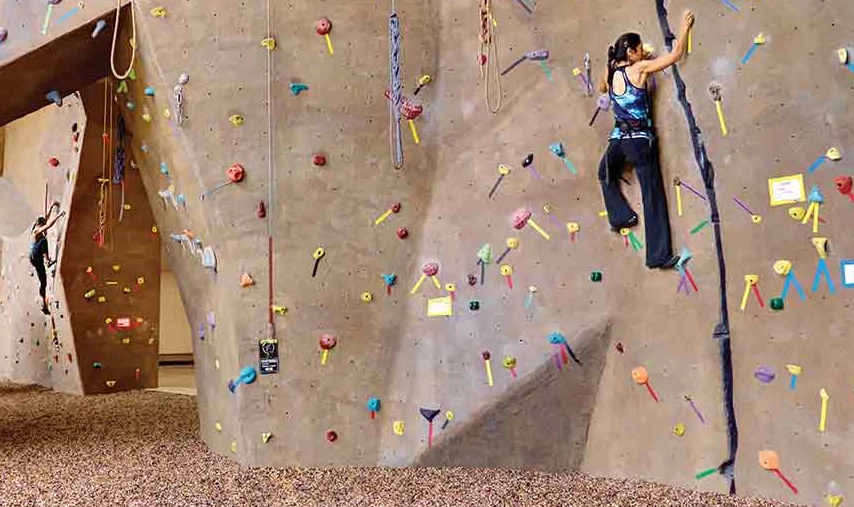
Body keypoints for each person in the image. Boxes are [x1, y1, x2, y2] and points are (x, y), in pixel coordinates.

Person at [596, 10, 694, 269]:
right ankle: (658, 255)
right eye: (639, 50)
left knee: (604, 172)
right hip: (639, 141)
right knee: (653, 194)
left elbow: (601, 88)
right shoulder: (638, 69)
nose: (642, 54)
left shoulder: (611, 72)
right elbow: (674, 56)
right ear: (630, 52)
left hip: (619, 140)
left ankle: (621, 216)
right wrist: (684, 28)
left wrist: (609, 63)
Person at [30, 202, 65, 314]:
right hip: (36, 257)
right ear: (40, 225)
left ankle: (47, 260)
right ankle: (44, 305)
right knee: (43, 282)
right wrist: (59, 216)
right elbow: (48, 225)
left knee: (43, 240)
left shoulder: (37, 224)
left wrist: (52, 206)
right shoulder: (37, 230)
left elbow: (46, 217)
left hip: (35, 255)